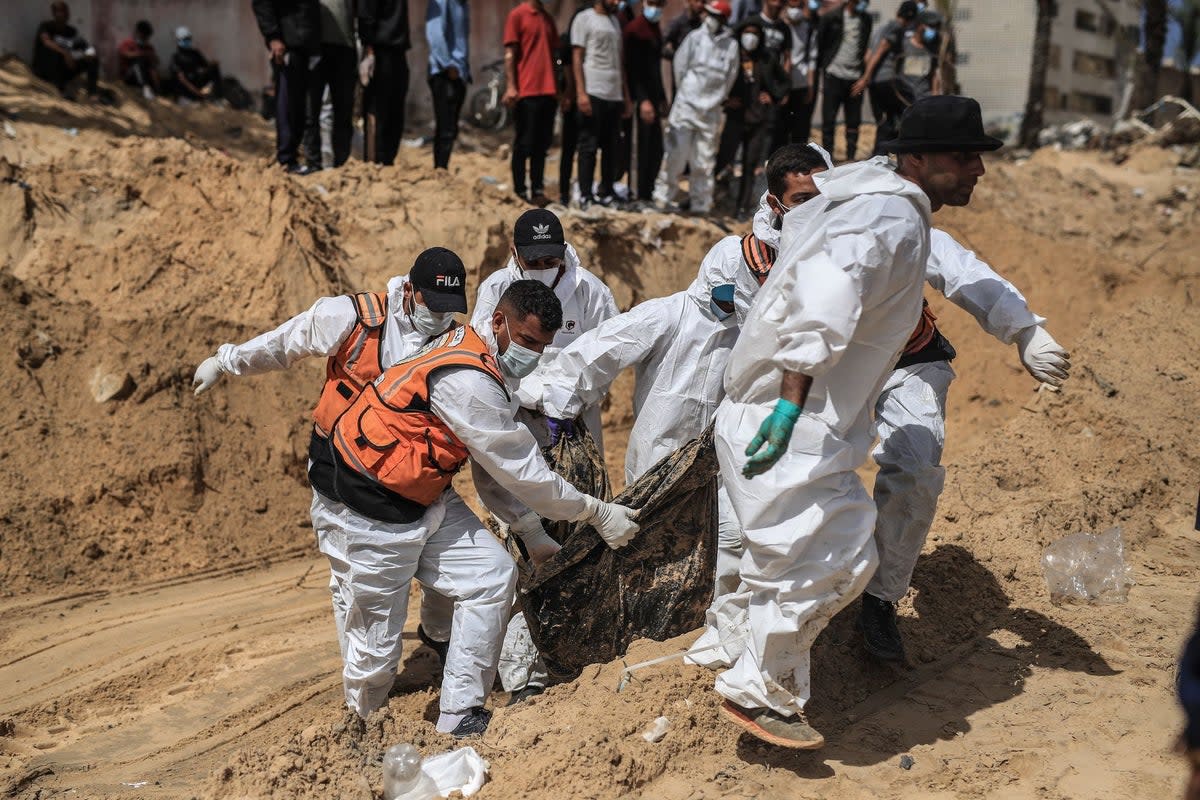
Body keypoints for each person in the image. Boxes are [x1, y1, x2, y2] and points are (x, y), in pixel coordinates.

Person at [696, 96, 1002, 749]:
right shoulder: (864, 222)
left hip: (851, 385)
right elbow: (807, 309)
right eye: (962, 155)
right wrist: (783, 403)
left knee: (851, 522)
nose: (977, 168)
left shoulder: (882, 206)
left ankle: (815, 653)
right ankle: (756, 678)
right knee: (805, 542)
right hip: (798, 396)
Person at [547, 142, 832, 603]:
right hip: (660, 455)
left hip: (725, 453)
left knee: (730, 540)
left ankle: (713, 618)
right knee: (649, 545)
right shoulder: (673, 314)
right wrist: (558, 398)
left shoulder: (753, 329)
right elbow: (600, 348)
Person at [470, 209, 619, 453]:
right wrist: (538, 397)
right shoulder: (496, 288)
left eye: (550, 262)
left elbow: (607, 356)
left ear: (562, 251)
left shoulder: (591, 291)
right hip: (515, 412)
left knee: (578, 486)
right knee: (514, 484)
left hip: (574, 416)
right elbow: (486, 350)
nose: (542, 268)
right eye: (532, 262)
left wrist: (568, 402)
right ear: (514, 253)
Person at [652, 0, 739, 214]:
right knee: (675, 156)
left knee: (703, 161)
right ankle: (663, 199)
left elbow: (730, 78)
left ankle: (700, 204)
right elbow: (679, 67)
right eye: (709, 14)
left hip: (710, 112)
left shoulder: (731, 46)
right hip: (686, 108)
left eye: (715, 15)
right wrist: (687, 94)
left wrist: (714, 100)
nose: (710, 19)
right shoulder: (694, 39)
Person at [571, 0, 634, 209]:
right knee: (588, 146)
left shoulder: (615, 21)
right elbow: (577, 57)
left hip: (613, 94)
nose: (617, 2)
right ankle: (586, 194)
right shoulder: (584, 18)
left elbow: (621, 62)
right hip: (593, 90)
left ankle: (607, 190)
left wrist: (625, 96)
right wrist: (581, 92)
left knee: (611, 147)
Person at [253, 0, 322, 173]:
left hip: (306, 48)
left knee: (300, 108)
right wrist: (274, 37)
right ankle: (286, 159)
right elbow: (262, 4)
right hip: (287, 47)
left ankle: (295, 159)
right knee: (287, 105)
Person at [503, 0, 560, 204]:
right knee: (524, 143)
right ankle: (519, 190)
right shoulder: (517, 15)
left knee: (541, 145)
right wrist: (511, 86)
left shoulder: (547, 19)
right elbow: (510, 54)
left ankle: (537, 190)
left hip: (548, 91)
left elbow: (555, 55)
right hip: (527, 91)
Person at [854, 0, 918, 156]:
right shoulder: (896, 29)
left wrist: (868, 78)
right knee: (912, 109)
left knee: (886, 120)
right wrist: (866, 77)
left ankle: (880, 154)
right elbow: (880, 52)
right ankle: (907, 150)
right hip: (887, 80)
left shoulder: (881, 28)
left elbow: (868, 55)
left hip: (876, 82)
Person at [301, 0, 358, 169]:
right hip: (315, 49)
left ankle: (342, 163)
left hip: (345, 49)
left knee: (343, 111)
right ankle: (313, 163)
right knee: (311, 111)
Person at [624, 0, 668, 203]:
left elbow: (654, 69)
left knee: (656, 148)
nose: (656, 7)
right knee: (639, 148)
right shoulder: (635, 29)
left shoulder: (654, 28)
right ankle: (636, 194)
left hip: (653, 96)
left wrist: (661, 98)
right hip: (639, 99)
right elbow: (632, 70)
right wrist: (642, 100)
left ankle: (647, 192)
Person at [817, 0, 872, 162]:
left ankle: (850, 158)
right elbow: (821, 45)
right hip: (833, 74)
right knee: (829, 120)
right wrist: (824, 72)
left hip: (855, 78)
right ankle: (827, 159)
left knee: (854, 122)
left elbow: (865, 47)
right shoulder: (831, 18)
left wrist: (864, 78)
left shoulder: (865, 19)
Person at [358, 0, 411, 166]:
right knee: (378, 108)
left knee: (395, 110)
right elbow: (365, 14)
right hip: (379, 51)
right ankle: (375, 160)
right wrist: (369, 51)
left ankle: (388, 158)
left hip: (399, 50)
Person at [426, 0, 469, 170]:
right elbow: (435, 33)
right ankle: (440, 170)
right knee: (445, 128)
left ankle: (443, 169)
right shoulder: (442, 2)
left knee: (451, 129)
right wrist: (448, 64)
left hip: (459, 73)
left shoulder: (463, 5)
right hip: (445, 74)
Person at [32, 2, 100, 100]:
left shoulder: (71, 31)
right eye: (60, 11)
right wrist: (65, 53)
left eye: (66, 11)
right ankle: (60, 90)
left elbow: (85, 46)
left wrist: (90, 54)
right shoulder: (46, 27)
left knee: (93, 58)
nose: (63, 14)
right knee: (56, 53)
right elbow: (46, 42)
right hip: (44, 71)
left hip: (64, 71)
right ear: (54, 13)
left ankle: (92, 93)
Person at [777, 0, 819, 148]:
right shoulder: (779, 27)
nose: (795, 10)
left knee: (800, 129)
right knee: (780, 128)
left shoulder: (808, 29)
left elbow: (811, 60)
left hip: (800, 84)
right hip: (781, 85)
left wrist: (810, 85)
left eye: (799, 6)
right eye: (792, 6)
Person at [167, 27, 222, 102]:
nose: (187, 41)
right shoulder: (175, 58)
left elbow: (206, 67)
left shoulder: (195, 53)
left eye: (188, 38)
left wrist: (212, 65)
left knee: (214, 69)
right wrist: (199, 93)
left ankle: (218, 97)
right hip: (187, 91)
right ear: (178, 40)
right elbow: (183, 80)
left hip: (197, 83)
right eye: (184, 39)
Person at [118, 20, 161, 99]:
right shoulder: (128, 43)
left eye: (147, 37)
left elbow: (156, 62)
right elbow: (125, 54)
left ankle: (156, 90)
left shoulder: (149, 47)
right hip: (129, 76)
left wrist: (152, 57)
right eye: (143, 36)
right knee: (139, 61)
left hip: (146, 76)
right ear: (138, 32)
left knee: (151, 67)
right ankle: (145, 88)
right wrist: (141, 54)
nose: (145, 39)